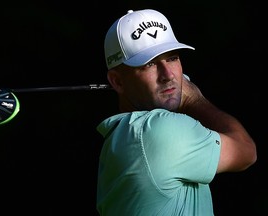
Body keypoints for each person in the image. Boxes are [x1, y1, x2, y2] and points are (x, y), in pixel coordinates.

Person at [96, 9, 257, 216]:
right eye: (150, 64)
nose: (168, 75)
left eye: (172, 58)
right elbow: (246, 151)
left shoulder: (123, 135)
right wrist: (194, 99)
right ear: (117, 81)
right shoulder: (159, 130)